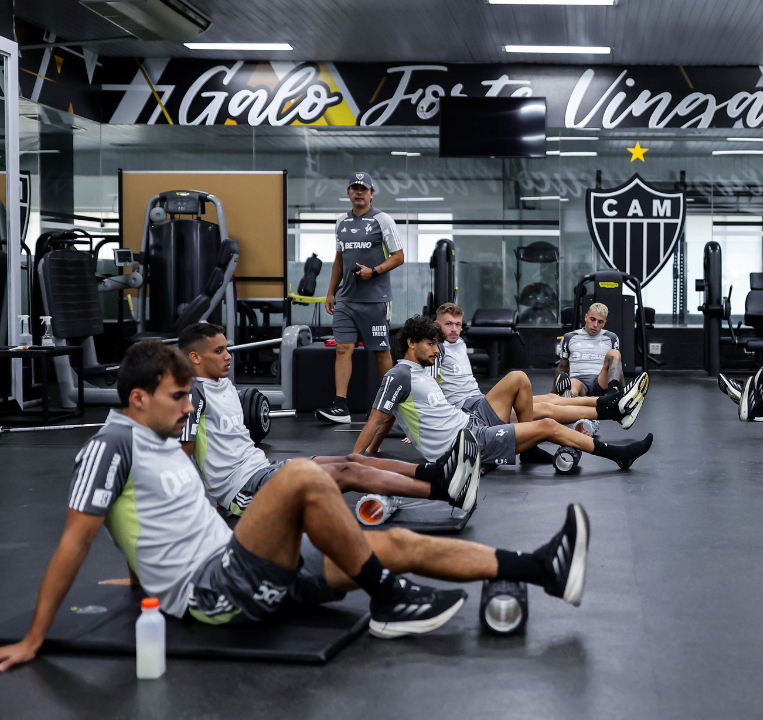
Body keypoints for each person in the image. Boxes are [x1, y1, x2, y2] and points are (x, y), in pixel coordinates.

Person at [0, 341, 592, 672]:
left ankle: (541, 567)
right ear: (137, 398)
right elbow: (75, 541)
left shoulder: (157, 441)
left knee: (389, 543)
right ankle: (387, 599)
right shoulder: (109, 447)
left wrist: (138, 581)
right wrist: (34, 639)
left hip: (243, 566)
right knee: (301, 476)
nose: (188, 408)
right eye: (178, 397)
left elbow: (146, 523)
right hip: (214, 591)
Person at [178, 322, 479, 515]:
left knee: (357, 460)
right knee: (350, 473)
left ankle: (437, 473)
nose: (228, 355)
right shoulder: (193, 394)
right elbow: (184, 454)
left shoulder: (226, 385)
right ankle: (446, 493)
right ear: (195, 358)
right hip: (246, 491)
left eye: (227, 348)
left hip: (264, 470)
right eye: (219, 351)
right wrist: (201, 509)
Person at [355, 315, 654, 470]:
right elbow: (376, 419)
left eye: (437, 343)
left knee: (517, 378)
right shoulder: (398, 375)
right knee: (547, 423)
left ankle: (605, 409)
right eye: (431, 344)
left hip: (470, 419)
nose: (436, 349)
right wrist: (356, 459)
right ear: (411, 343)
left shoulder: (419, 371)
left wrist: (376, 448)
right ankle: (619, 455)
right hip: (466, 442)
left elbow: (391, 417)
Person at [432, 302, 647, 426]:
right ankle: (615, 411)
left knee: (551, 398)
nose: (453, 329)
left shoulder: (458, 343)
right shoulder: (436, 349)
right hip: (468, 413)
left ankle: (616, 400)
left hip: (481, 401)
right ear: (436, 325)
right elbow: (429, 388)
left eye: (457, 324)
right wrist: (428, 427)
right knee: (546, 408)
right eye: (448, 324)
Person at [318, 172, 405, 424]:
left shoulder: (382, 220)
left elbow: (399, 256)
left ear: (371, 193)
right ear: (348, 192)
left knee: (380, 351)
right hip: (346, 299)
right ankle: (340, 406)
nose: (359, 192)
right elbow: (338, 260)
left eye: (364, 189)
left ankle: (388, 408)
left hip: (375, 299)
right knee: (343, 349)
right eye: (354, 188)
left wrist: (374, 271)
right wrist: (331, 292)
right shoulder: (341, 222)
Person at [556, 303, 627, 398]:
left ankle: (613, 393)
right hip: (579, 382)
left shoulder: (611, 338)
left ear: (604, 323)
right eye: (592, 319)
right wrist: (553, 393)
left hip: (601, 382)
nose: (595, 325)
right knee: (572, 384)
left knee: (615, 353)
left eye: (600, 322)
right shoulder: (569, 337)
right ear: (586, 317)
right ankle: (571, 397)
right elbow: (562, 366)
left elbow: (617, 367)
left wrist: (624, 390)